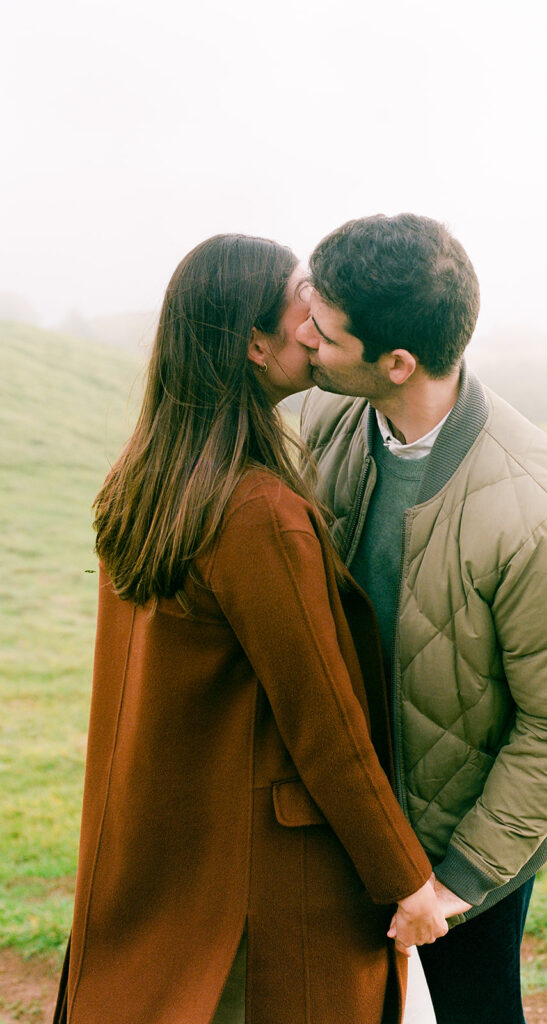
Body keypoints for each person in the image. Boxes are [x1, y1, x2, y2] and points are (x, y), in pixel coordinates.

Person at [53, 233, 449, 1024]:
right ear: (253, 343)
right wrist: (407, 881)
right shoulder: (257, 514)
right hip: (262, 891)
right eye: (303, 295)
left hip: (163, 863)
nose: (319, 316)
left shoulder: (146, 479)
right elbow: (326, 725)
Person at [296, 213, 547, 1024]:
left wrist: (456, 882)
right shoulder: (328, 420)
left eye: (326, 333)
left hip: (468, 850)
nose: (304, 336)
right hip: (343, 827)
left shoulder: (538, 508)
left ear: (396, 362)